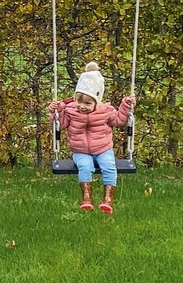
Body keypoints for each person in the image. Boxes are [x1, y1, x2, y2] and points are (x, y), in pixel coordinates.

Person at [49, 61, 135, 215]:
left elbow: (119, 120)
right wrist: (57, 111)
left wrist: (125, 106)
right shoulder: (70, 111)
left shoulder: (105, 111)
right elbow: (60, 124)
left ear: (97, 101)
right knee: (85, 167)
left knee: (109, 167)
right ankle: (86, 197)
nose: (82, 106)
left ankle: (108, 199)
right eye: (79, 101)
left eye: (88, 103)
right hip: (81, 151)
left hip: (103, 149)